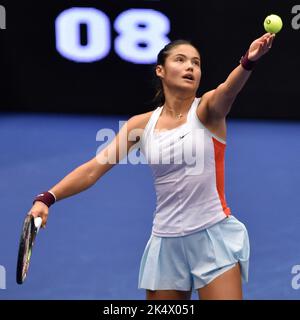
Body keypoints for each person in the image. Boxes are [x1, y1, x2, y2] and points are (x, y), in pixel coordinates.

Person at [29, 33, 275, 300]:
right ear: (161, 70)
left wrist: (248, 62)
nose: (190, 67)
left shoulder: (208, 110)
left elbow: (229, 89)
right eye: (180, 60)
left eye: (196, 62)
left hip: (212, 239)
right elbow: (92, 169)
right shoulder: (140, 125)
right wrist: (47, 198)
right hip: (165, 244)